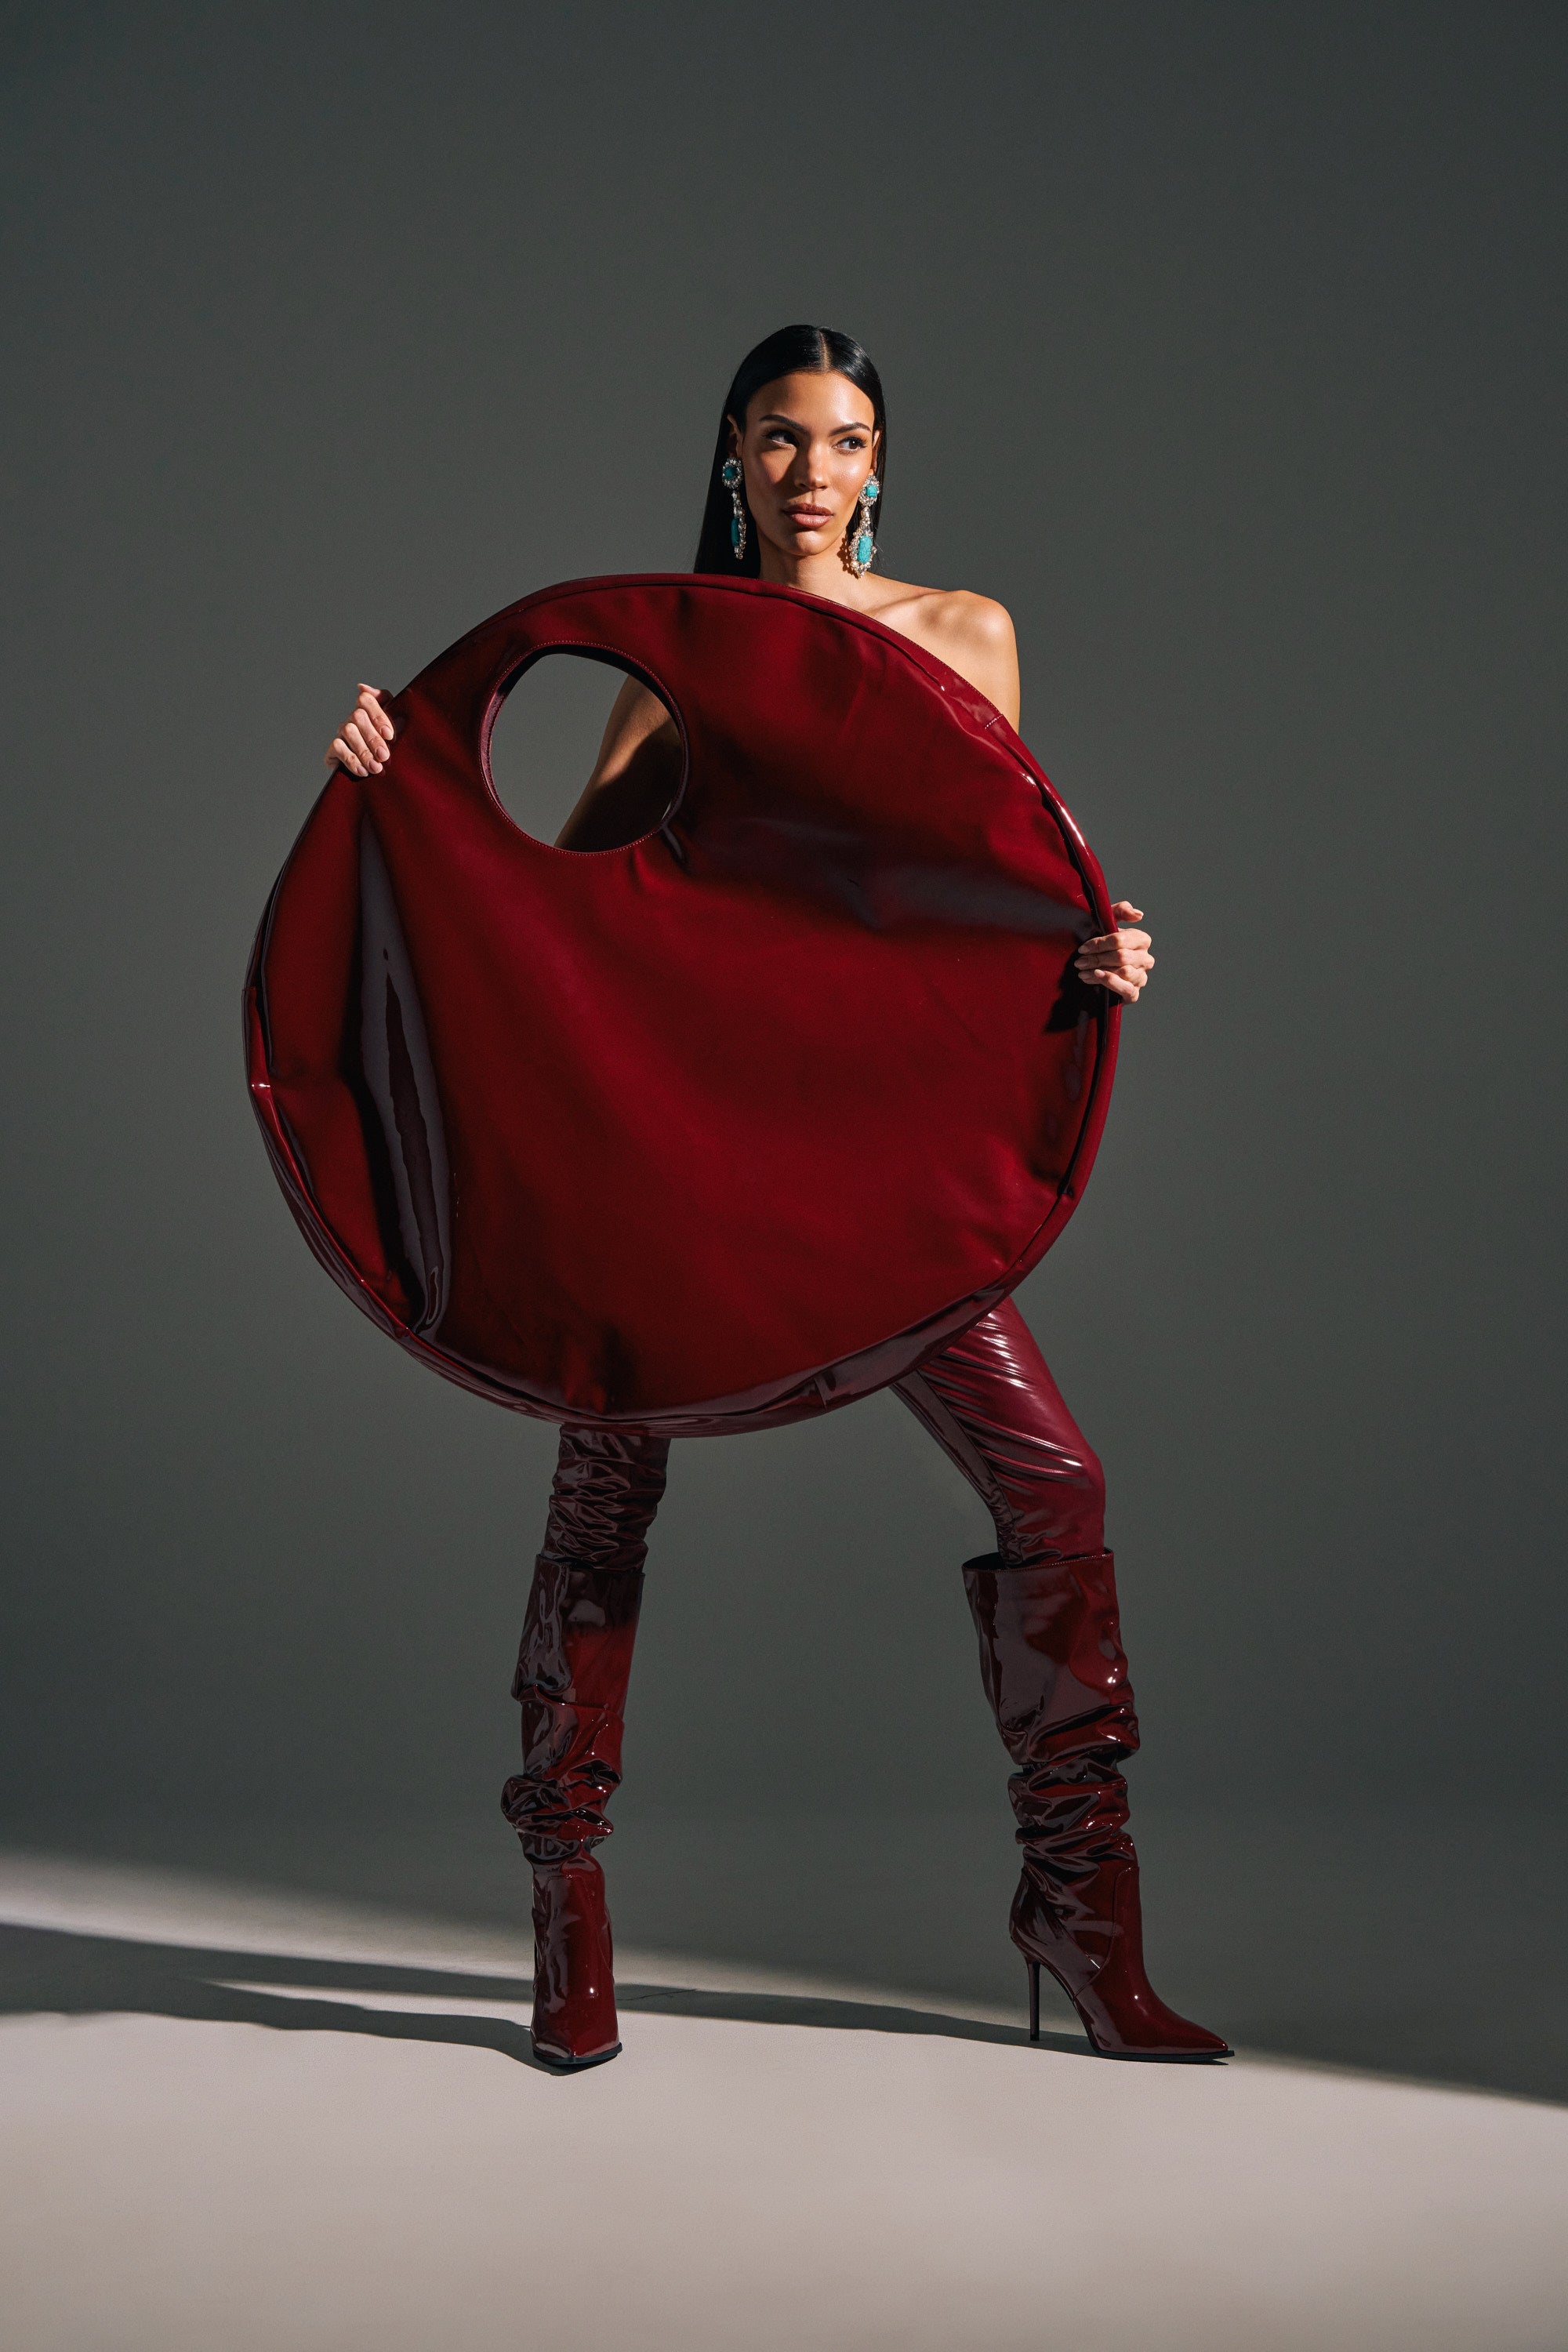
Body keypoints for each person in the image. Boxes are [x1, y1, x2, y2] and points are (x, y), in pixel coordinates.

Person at [326, 324, 1229, 2072]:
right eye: (781, 437)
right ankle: (567, 1914)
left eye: (847, 439)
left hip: (872, 1159)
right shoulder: (676, 663)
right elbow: (558, 910)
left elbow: (977, 899)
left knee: (1055, 1485)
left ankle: (1080, 1910)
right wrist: (398, 784)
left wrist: (1088, 957)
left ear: (881, 463)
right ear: (732, 455)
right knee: (605, 1495)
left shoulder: (964, 635)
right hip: (688, 1153)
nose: (815, 471)